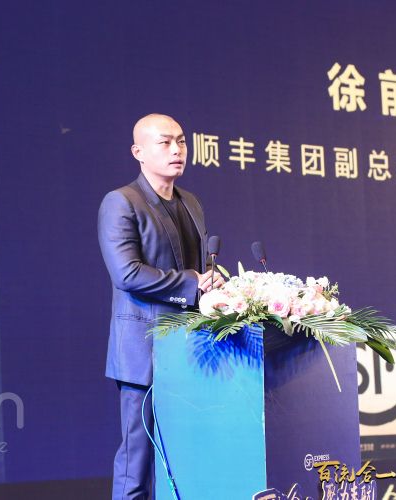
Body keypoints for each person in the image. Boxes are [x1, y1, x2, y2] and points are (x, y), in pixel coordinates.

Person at [97, 113, 223, 499]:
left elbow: (196, 268)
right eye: (164, 142)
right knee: (137, 464)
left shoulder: (191, 202)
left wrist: (212, 282)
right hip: (144, 353)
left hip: (191, 349)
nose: (177, 149)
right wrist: (192, 283)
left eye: (181, 141)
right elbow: (127, 273)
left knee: (187, 456)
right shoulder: (122, 202)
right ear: (138, 152)